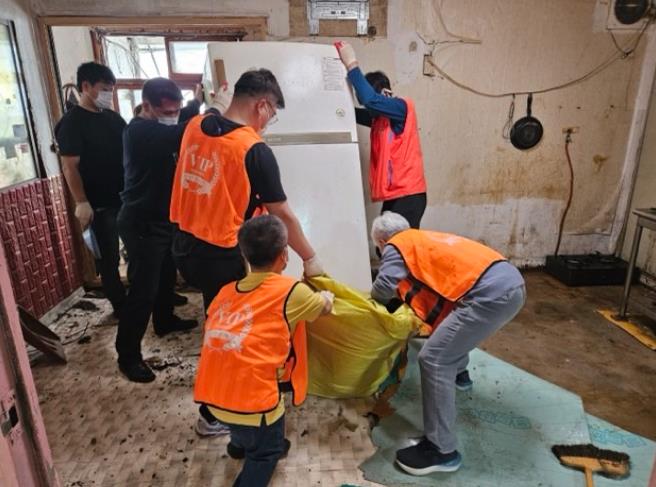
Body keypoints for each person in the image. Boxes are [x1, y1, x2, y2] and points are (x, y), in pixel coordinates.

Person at [170, 68, 325, 436]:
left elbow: (211, 114)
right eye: (272, 113)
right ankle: (216, 414)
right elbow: (282, 213)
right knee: (233, 334)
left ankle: (220, 402)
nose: (269, 122)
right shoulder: (253, 149)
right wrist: (309, 257)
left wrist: (215, 104)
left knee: (217, 321)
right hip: (222, 253)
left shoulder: (195, 125)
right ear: (262, 105)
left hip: (185, 247)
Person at [369, 212, 526, 475]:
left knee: (433, 359)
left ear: (382, 241)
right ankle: (460, 375)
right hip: (509, 281)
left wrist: (370, 308)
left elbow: (384, 286)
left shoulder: (396, 245)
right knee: (448, 332)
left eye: (379, 248)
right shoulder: (423, 239)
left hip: (490, 294)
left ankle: (441, 451)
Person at [194, 215, 333, 487]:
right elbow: (323, 308)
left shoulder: (224, 293)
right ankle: (258, 450)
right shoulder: (291, 291)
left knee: (239, 407)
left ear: (245, 256)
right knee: (267, 452)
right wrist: (327, 296)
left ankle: (239, 445)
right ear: (284, 256)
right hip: (254, 405)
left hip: (212, 399)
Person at [116, 78, 202, 383]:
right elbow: (183, 132)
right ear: (147, 106)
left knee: (166, 275)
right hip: (142, 222)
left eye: (176, 110)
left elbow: (185, 118)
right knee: (143, 290)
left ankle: (164, 320)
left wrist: (197, 101)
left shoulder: (161, 123)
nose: (173, 116)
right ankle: (128, 356)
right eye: (166, 112)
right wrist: (215, 111)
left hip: (164, 219)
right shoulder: (139, 131)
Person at [56, 62, 126, 316]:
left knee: (139, 251)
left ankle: (147, 297)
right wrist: (81, 201)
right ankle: (120, 306)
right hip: (98, 203)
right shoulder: (72, 123)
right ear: (85, 86)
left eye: (112, 89)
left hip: (125, 198)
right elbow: (70, 167)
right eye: (105, 89)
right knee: (109, 257)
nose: (109, 94)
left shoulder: (113, 118)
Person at [336, 42, 427, 229]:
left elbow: (370, 100)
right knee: (386, 241)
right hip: (396, 195)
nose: (368, 107)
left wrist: (351, 64)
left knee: (398, 244)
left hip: (409, 196)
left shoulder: (401, 107)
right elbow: (354, 114)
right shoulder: (380, 120)